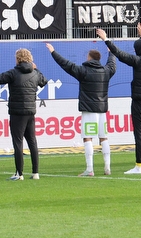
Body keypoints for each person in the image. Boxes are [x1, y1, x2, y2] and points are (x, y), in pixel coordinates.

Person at [99, 24, 141, 174]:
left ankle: (139, 166)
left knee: (139, 134)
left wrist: (106, 39)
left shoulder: (138, 61)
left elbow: (119, 53)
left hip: (139, 102)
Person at [47, 41, 116, 177]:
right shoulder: (106, 71)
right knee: (104, 138)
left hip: (89, 110)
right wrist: (111, 52)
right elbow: (112, 64)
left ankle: (90, 169)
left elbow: (66, 64)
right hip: (102, 110)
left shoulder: (83, 71)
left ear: (89, 58)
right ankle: (107, 168)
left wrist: (53, 52)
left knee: (87, 138)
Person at [0, 48, 48, 181]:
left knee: (18, 142)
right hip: (30, 111)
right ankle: (35, 173)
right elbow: (44, 81)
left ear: (18, 59)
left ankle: (19, 173)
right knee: (32, 141)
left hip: (17, 112)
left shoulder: (13, 73)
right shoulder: (35, 73)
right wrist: (37, 69)